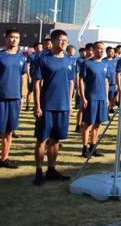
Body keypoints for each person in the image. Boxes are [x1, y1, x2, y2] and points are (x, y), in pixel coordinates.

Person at [32, 29, 74, 185]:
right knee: (42, 139)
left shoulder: (70, 60)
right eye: (61, 40)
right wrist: (37, 105)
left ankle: (51, 169)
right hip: (47, 106)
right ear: (53, 41)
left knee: (55, 140)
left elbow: (71, 83)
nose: (63, 42)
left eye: (66, 40)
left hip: (63, 106)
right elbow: (36, 83)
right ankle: (38, 171)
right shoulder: (43, 59)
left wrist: (69, 104)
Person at [0, 29, 27, 168]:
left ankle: (4, 158)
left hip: (15, 98)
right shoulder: (1, 56)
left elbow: (23, 77)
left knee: (9, 131)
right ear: (6, 38)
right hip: (1, 99)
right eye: (11, 37)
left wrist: (22, 96)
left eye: (16, 37)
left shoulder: (21, 58)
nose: (14, 40)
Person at [79, 41, 110, 157]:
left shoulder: (105, 64)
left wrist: (107, 97)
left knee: (98, 124)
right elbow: (80, 80)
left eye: (102, 49)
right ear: (93, 49)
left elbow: (106, 81)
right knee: (87, 124)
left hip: (102, 98)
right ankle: (84, 148)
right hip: (91, 98)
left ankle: (93, 147)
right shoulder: (87, 63)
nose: (100, 51)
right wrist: (83, 97)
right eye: (98, 48)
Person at [24, 42, 42, 112]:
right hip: (32, 76)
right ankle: (27, 105)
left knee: (39, 91)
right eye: (39, 47)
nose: (40, 48)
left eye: (41, 47)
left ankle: (37, 105)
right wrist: (29, 77)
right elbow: (27, 66)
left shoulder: (43, 56)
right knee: (30, 91)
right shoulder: (31, 56)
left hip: (40, 77)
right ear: (35, 48)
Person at [103, 46, 119, 117]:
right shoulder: (103, 61)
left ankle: (109, 111)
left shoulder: (115, 61)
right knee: (105, 99)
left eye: (113, 52)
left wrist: (117, 84)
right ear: (106, 52)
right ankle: (105, 113)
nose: (112, 53)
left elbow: (118, 73)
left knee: (111, 99)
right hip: (104, 84)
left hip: (113, 83)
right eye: (110, 51)